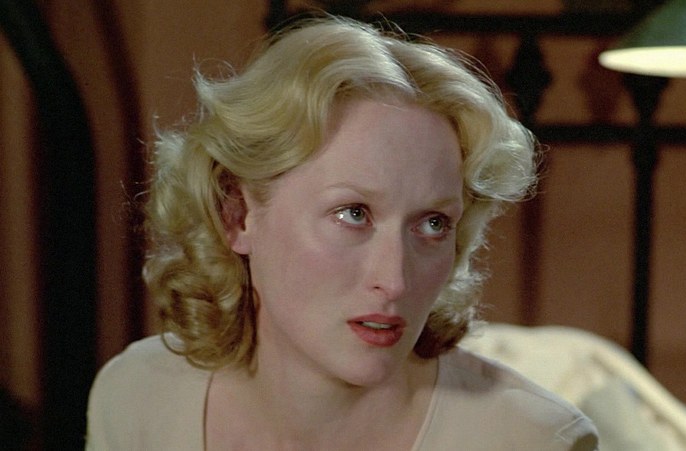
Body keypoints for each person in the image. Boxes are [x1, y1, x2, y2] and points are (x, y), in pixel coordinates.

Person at [86, 15, 598, 450]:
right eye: (354, 214)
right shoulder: (135, 396)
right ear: (237, 216)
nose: (394, 281)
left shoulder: (532, 438)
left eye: (433, 224)